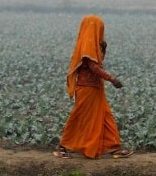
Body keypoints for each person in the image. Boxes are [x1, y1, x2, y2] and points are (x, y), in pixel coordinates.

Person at [53, 15, 133, 159]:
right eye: (100, 29)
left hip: (96, 88)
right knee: (80, 117)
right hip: (87, 88)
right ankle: (62, 146)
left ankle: (114, 148)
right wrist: (112, 79)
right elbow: (93, 66)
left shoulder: (94, 45)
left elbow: (98, 61)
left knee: (106, 116)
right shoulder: (87, 45)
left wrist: (103, 49)